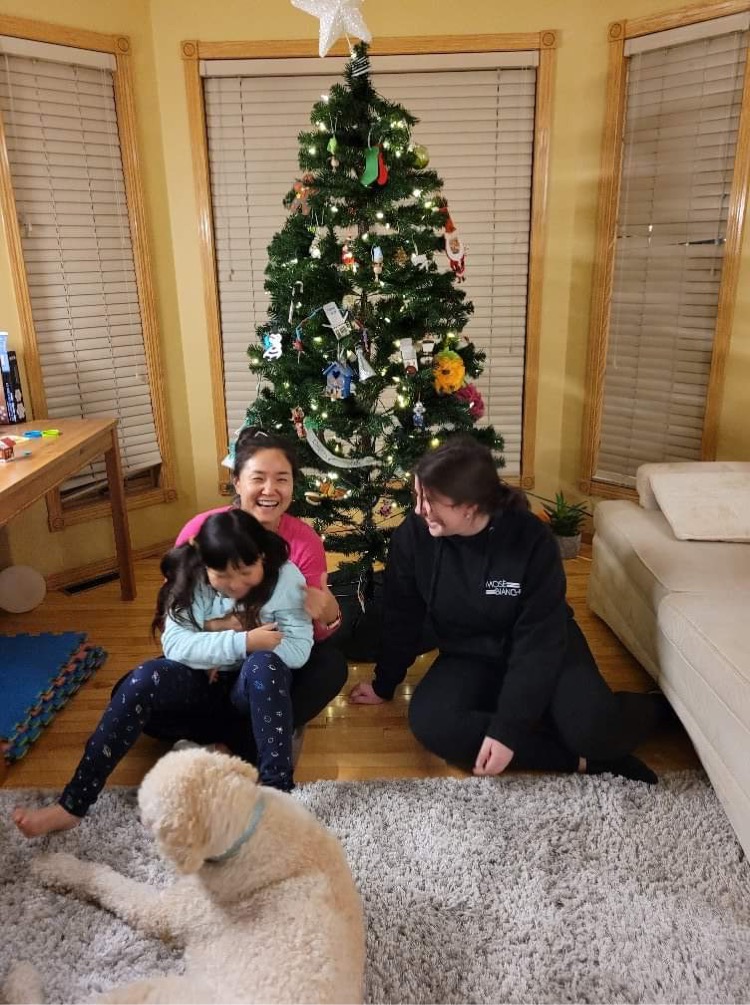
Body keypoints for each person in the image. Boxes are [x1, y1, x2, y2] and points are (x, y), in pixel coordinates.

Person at [349, 435, 662, 784]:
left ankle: (656, 711)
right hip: (469, 653)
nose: (420, 509)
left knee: (593, 729)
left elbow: (539, 643)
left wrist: (508, 728)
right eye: (417, 496)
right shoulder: (413, 535)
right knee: (432, 722)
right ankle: (584, 761)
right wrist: (385, 682)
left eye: (432, 501)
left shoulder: (531, 539)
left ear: (470, 506)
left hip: (544, 647)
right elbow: (402, 614)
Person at [13, 509, 313, 838]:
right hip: (199, 694)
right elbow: (175, 645)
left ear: (262, 557)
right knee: (143, 679)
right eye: (222, 575)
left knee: (265, 666)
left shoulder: (286, 578)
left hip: (251, 705)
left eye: (245, 572)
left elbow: (298, 649)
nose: (235, 585)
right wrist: (243, 642)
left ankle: (278, 798)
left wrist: (222, 642)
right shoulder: (190, 574)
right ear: (205, 565)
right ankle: (72, 805)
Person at [175, 426, 347, 734]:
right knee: (140, 684)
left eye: (281, 479)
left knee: (330, 666)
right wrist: (220, 629)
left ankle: (235, 732)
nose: (270, 490)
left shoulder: (304, 541)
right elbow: (175, 622)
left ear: (293, 484)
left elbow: (309, 636)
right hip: (213, 658)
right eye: (258, 478)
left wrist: (329, 614)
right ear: (237, 482)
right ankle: (256, 730)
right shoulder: (201, 530)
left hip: (273, 661)